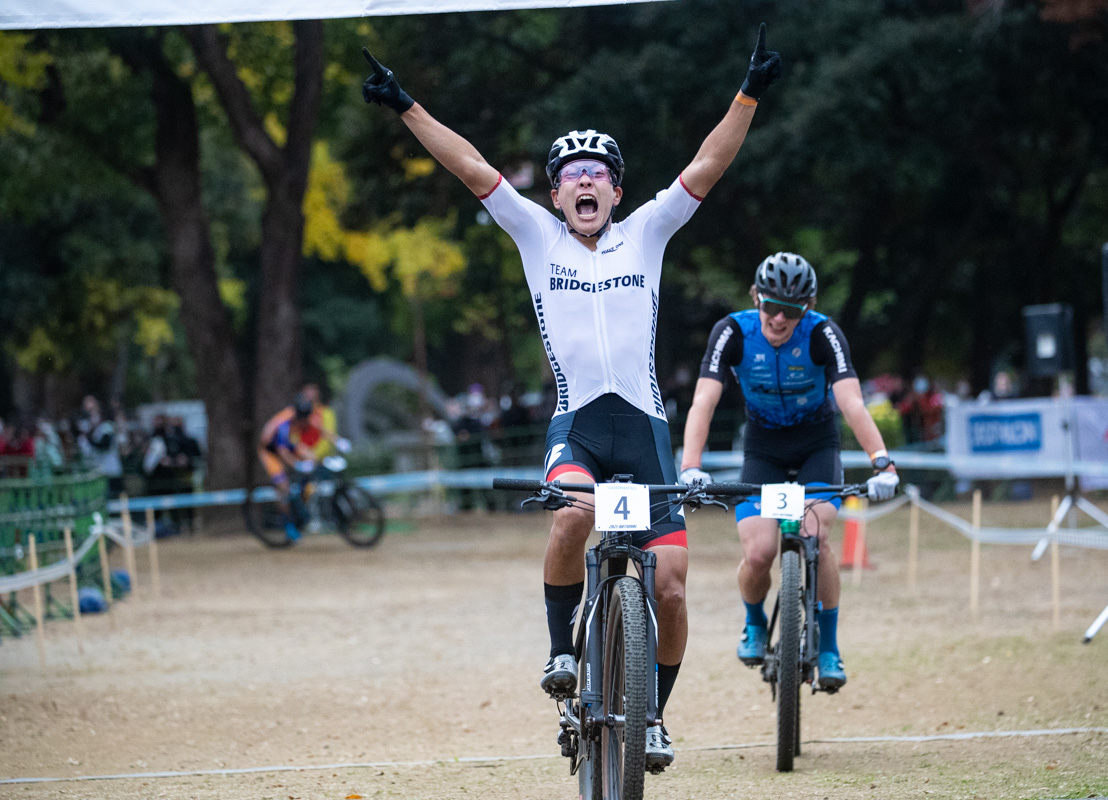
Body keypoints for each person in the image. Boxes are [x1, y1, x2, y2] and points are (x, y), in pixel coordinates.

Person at [362, 23, 782, 769]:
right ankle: (562, 651)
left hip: (646, 430)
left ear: (617, 191)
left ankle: (652, 717)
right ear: (554, 193)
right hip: (579, 427)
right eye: (570, 174)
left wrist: (747, 94)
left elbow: (707, 166)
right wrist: (405, 106)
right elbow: (472, 168)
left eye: (598, 173)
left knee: (676, 591)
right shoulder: (535, 237)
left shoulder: (648, 231)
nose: (585, 181)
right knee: (573, 515)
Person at [678, 252, 899, 691]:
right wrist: (690, 466)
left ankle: (830, 647)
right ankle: (755, 621)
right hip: (764, 449)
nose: (779, 319)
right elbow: (704, 401)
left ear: (808, 308)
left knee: (816, 536)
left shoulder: (823, 334)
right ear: (756, 297)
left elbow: (852, 402)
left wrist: (882, 461)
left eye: (792, 311)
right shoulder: (732, 333)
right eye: (771, 306)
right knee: (759, 553)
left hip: (817, 443)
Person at [258, 394, 350, 541]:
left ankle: (304, 498)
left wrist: (338, 441)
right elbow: (283, 452)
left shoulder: (305, 415)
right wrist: (297, 464)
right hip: (271, 451)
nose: (306, 423)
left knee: (313, 459)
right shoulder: (283, 424)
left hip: (289, 445)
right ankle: (288, 526)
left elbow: (320, 429)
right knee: (283, 486)